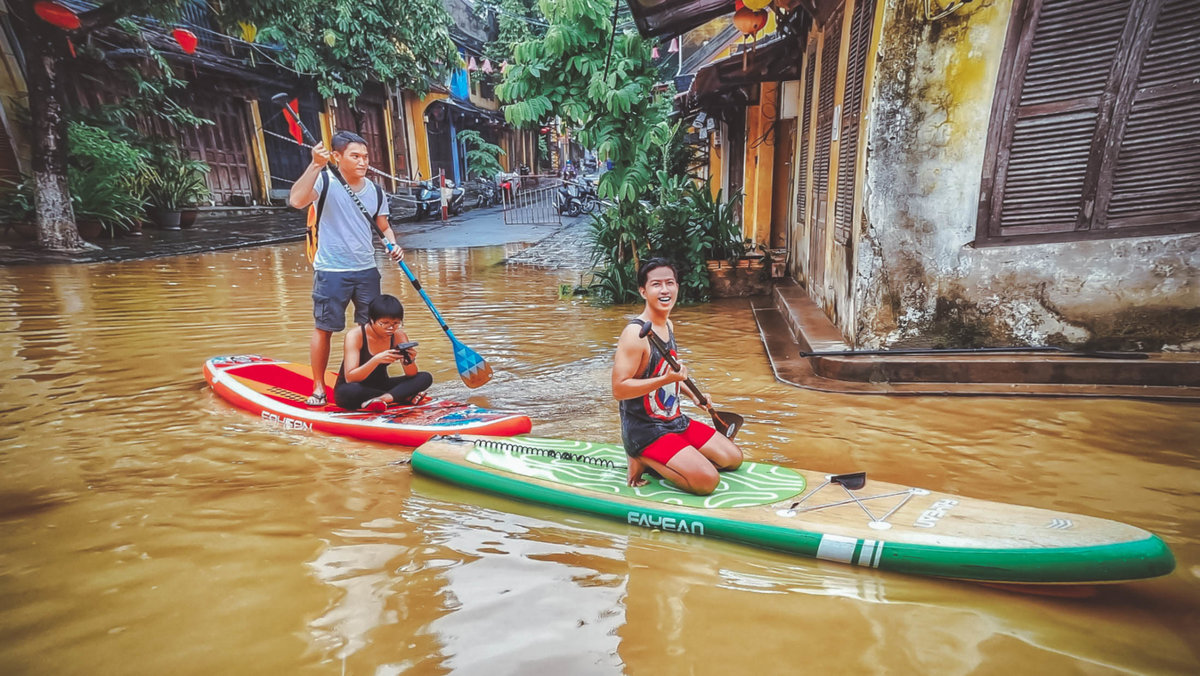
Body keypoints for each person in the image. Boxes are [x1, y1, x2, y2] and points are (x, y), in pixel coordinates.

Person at [288, 130, 404, 406]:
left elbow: (383, 226)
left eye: (365, 157)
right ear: (337, 157)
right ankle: (318, 387)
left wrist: (393, 245)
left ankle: (364, 383)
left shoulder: (375, 190)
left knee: (371, 330)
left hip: (366, 270)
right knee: (325, 328)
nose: (362, 162)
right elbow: (296, 200)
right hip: (331, 271)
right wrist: (315, 164)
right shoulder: (324, 181)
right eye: (355, 156)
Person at [611, 258, 743, 495]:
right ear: (643, 291)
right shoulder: (634, 335)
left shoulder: (667, 325)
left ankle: (676, 456)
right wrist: (666, 381)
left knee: (733, 458)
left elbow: (667, 372)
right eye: (656, 284)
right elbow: (619, 389)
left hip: (674, 421)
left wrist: (695, 395)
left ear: (677, 287)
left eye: (670, 283)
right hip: (646, 429)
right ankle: (640, 456)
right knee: (707, 482)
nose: (664, 290)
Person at [334, 294, 433, 411]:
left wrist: (409, 360)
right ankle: (401, 396)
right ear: (372, 320)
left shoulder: (398, 335)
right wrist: (376, 359)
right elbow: (351, 378)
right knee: (348, 391)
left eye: (396, 323)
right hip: (355, 387)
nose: (391, 328)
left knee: (425, 377)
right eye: (384, 323)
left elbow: (411, 374)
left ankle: (384, 399)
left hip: (381, 385)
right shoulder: (356, 336)